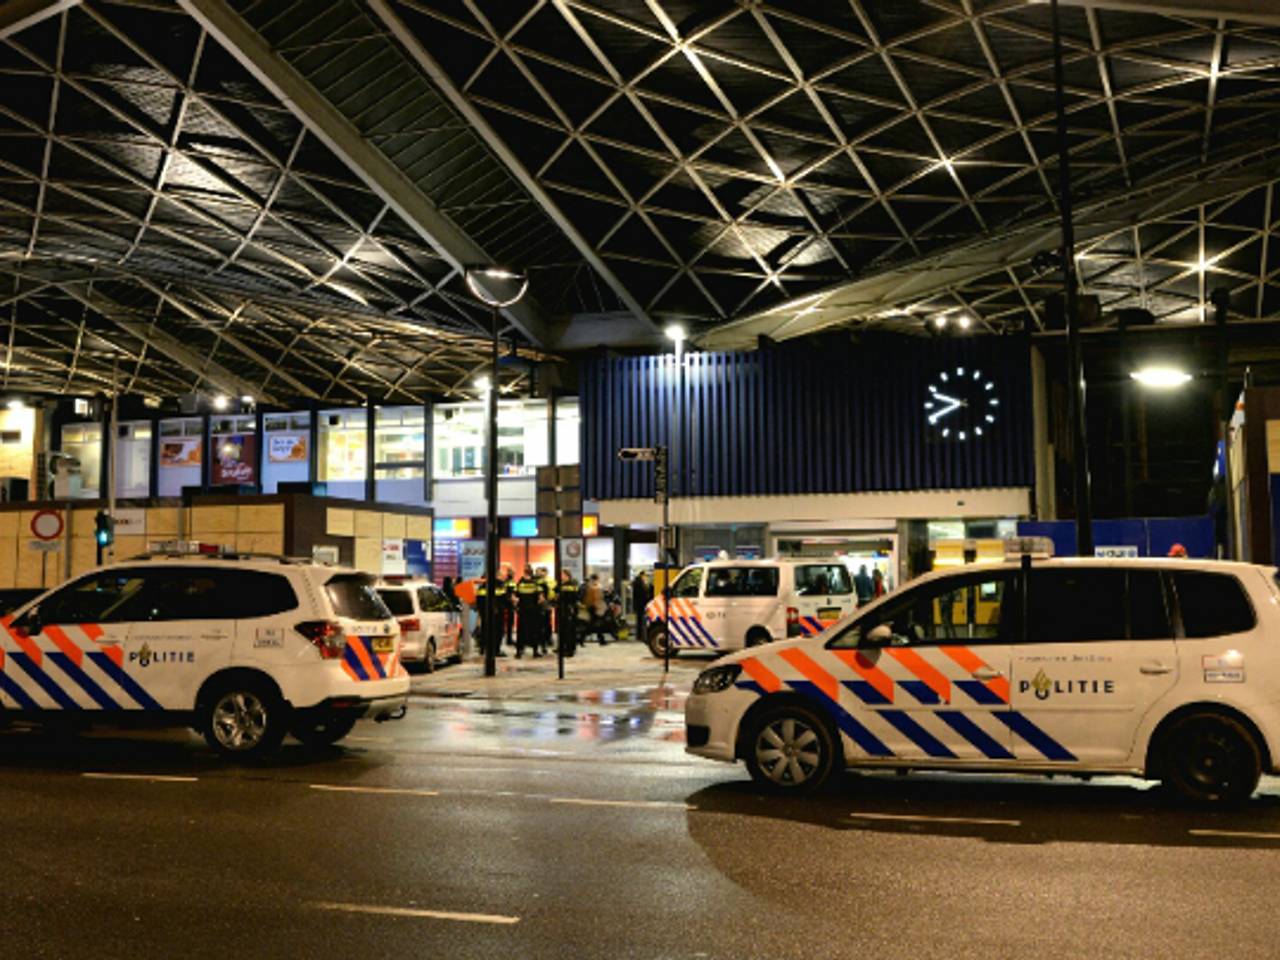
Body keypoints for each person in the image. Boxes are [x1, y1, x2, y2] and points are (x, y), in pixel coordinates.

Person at [514, 565, 546, 658]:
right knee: (534, 630)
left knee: (521, 631)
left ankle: (519, 652)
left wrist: (517, 604)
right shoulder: (536, 583)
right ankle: (535, 651)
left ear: (524, 573)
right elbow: (541, 598)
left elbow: (514, 597)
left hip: (523, 610)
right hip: (534, 611)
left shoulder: (520, 583)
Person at [557, 568, 580, 657]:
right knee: (564, 630)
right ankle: (564, 648)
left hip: (568, 610)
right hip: (564, 610)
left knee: (568, 631)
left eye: (562, 575)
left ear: (567, 575)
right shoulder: (563, 584)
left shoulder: (570, 585)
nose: (561, 576)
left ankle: (569, 650)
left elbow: (572, 598)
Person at [583, 573, 607, 645]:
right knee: (596, 624)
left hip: (593, 607)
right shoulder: (594, 587)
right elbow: (597, 598)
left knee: (594, 624)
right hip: (595, 607)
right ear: (596, 579)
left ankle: (601, 639)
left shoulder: (591, 586)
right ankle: (581, 637)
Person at [631, 569, 651, 646]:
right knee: (641, 620)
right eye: (645, 576)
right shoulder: (639, 583)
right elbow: (643, 594)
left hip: (638, 604)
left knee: (639, 620)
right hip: (641, 604)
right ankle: (640, 636)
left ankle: (639, 635)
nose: (645, 577)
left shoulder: (637, 582)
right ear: (642, 575)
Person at [501, 568, 517, 648]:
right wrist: (514, 601)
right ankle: (509, 639)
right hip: (510, 604)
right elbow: (512, 594)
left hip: (504, 604)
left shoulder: (504, 582)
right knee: (510, 622)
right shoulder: (511, 583)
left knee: (505, 622)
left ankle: (507, 638)